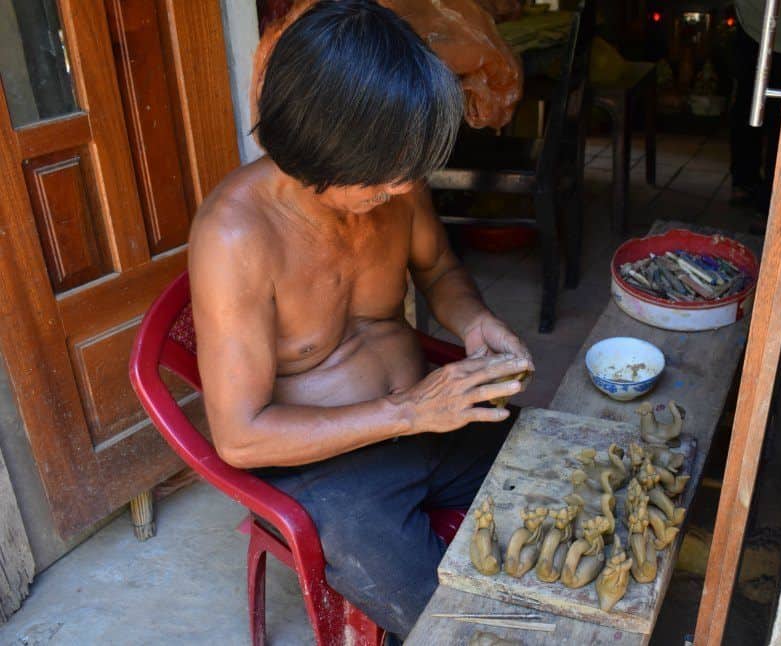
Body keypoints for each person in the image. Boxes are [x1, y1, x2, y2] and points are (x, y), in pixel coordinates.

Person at [188, 0, 533, 638]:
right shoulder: (236, 236)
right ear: (316, 151)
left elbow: (438, 272)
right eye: (382, 177)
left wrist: (475, 321)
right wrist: (408, 413)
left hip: (428, 423)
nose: (402, 190)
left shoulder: (395, 181)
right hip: (328, 470)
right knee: (454, 625)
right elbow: (239, 437)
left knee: (556, 482)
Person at [730, 0, 781, 214]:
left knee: (778, 115)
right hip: (762, 22)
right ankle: (755, 188)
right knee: (752, 106)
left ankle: (769, 197)